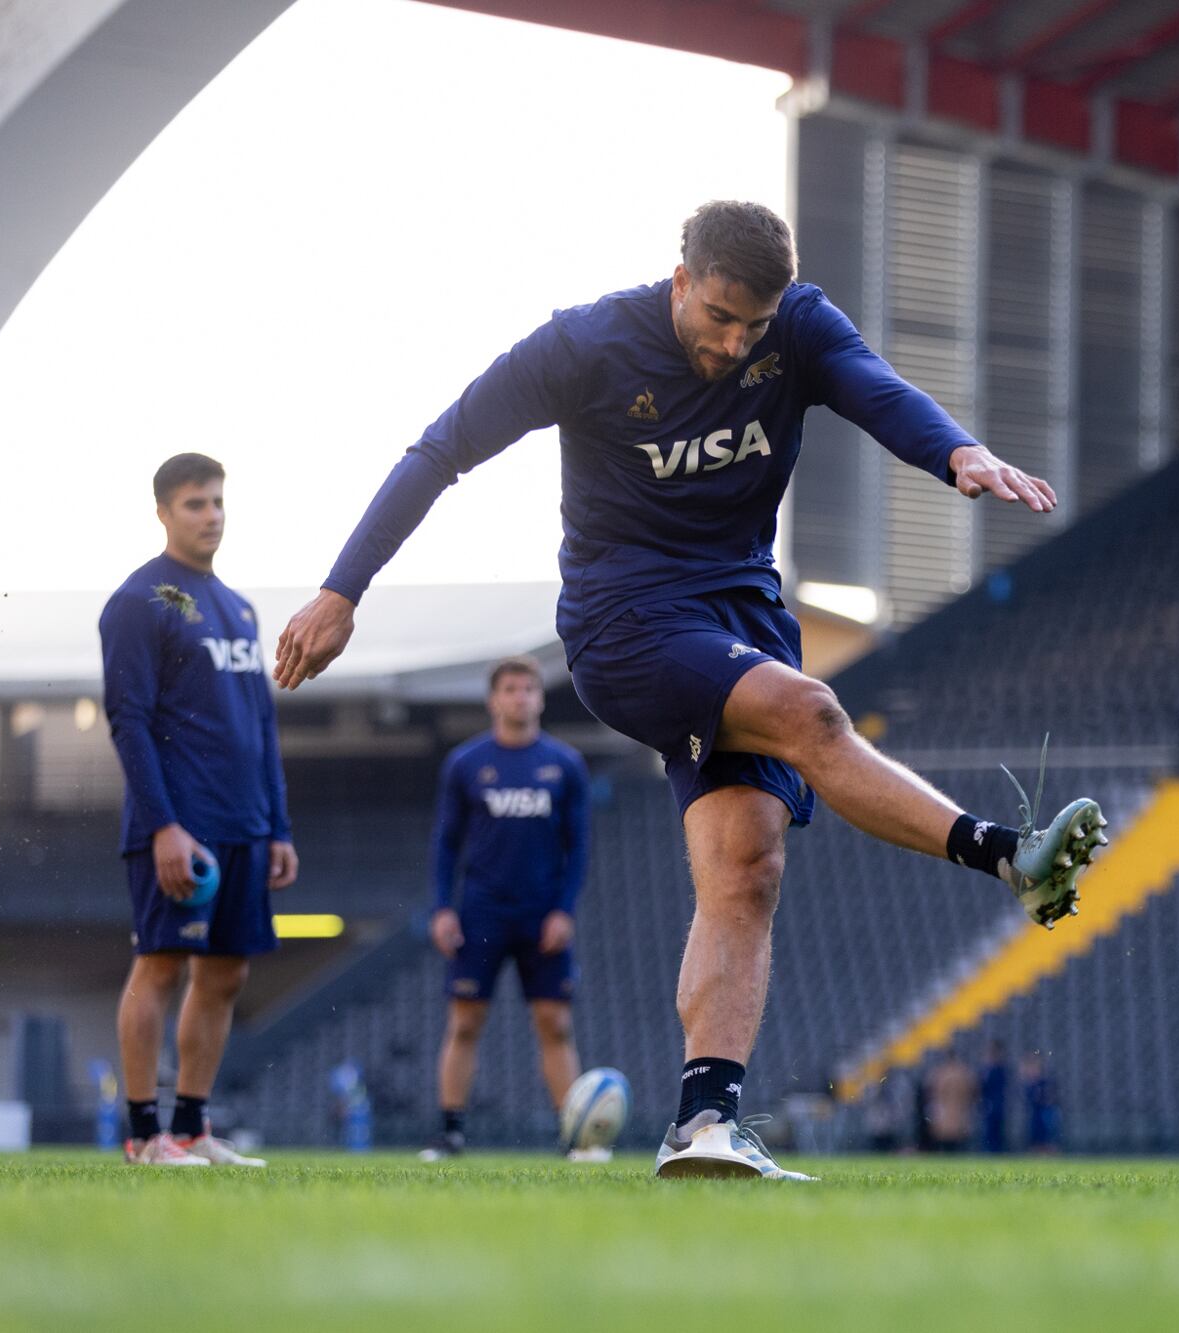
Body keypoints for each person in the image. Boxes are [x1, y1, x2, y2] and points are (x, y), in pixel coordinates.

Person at [272, 200, 1107, 1181]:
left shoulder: (796, 326)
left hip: (741, 617)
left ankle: (702, 1122)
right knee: (811, 711)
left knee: (746, 868)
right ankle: (1007, 856)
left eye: (752, 324)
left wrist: (954, 450)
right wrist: (342, 589)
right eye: (717, 315)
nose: (734, 340)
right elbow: (439, 448)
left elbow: (873, 387)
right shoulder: (582, 345)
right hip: (625, 622)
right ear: (681, 280)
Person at [100, 453, 296, 1166]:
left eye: (216, 501)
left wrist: (277, 824)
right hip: (181, 825)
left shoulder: (238, 607)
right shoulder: (139, 601)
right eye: (194, 503)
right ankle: (143, 1132)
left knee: (225, 975)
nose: (210, 514)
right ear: (162, 511)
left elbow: (261, 723)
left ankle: (189, 1128)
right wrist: (164, 826)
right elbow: (128, 719)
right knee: (161, 965)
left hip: (246, 822)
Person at [418, 656, 593, 1162]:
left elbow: (577, 846)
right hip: (482, 913)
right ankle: (450, 1133)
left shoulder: (564, 765)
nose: (520, 697)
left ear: (540, 697)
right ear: (494, 699)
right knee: (465, 1021)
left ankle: (575, 1139)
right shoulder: (466, 764)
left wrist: (564, 910)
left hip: (542, 915)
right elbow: (446, 843)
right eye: (510, 689)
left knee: (555, 1024)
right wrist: (441, 908)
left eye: (528, 689)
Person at [978, 1039, 1013, 1154]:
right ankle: (989, 1152)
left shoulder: (1000, 1069)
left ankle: (995, 1152)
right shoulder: (986, 1069)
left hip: (996, 1104)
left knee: (996, 1131)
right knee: (988, 1131)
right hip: (989, 1104)